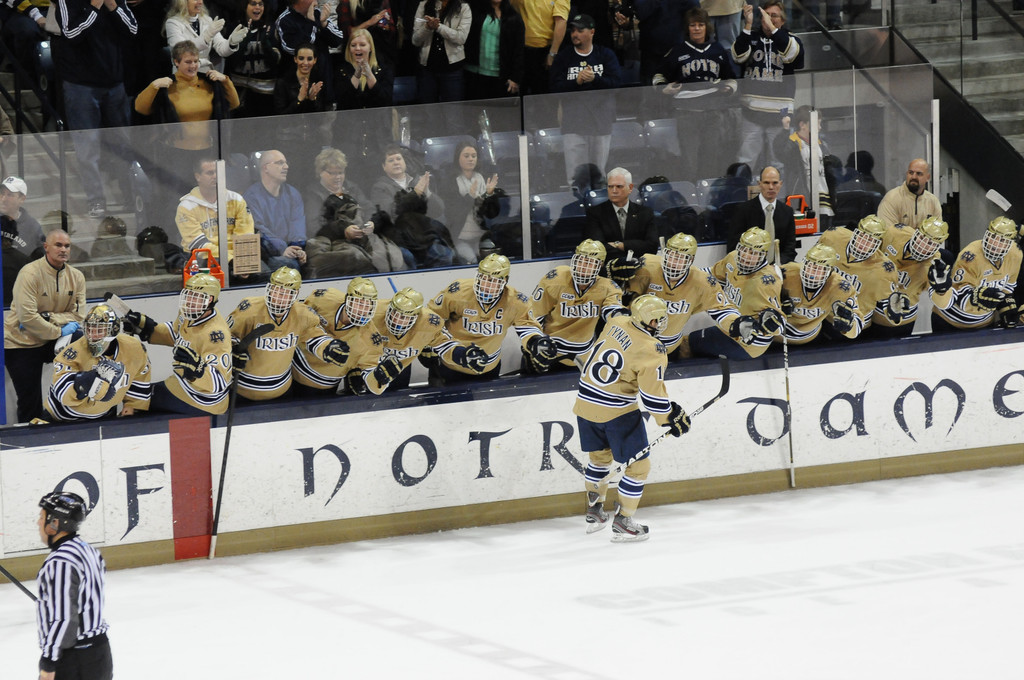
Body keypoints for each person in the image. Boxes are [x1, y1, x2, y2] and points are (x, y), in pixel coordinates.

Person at [575, 294, 691, 541]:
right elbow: (652, 398)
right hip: (616, 412)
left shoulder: (616, 321)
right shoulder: (652, 349)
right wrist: (670, 418)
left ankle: (594, 512)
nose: (661, 322)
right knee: (638, 467)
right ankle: (624, 521)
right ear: (649, 320)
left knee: (599, 458)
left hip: (584, 403)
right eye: (658, 318)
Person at [134, 40, 241, 217]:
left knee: (206, 199)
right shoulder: (167, 85)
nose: (193, 66)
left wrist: (225, 80)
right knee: (175, 199)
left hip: (206, 153)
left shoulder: (209, 83)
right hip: (176, 155)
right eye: (188, 62)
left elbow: (234, 104)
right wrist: (154, 86)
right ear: (176, 62)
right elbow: (141, 108)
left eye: (196, 61)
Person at [53, 0, 138, 219]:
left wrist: (113, 7)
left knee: (124, 145)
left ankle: (130, 195)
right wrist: (94, 8)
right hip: (80, 86)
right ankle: (96, 200)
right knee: (87, 148)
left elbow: (133, 29)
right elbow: (71, 33)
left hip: (114, 83)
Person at [425, 253, 553, 384]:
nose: (486, 286)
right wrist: (428, 346)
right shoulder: (458, 291)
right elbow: (431, 317)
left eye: (493, 281)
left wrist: (536, 342)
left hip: (488, 367)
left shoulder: (516, 301)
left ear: (505, 281)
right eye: (484, 278)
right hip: (451, 365)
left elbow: (528, 327)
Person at [227, 267, 351, 401]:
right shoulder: (249, 309)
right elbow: (228, 336)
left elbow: (314, 337)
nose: (278, 298)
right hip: (243, 389)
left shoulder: (303, 314)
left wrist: (329, 347)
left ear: (295, 294)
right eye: (276, 290)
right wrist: (233, 350)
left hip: (281, 390)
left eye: (285, 293)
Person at [621, 232, 750, 359]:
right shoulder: (647, 267)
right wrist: (619, 278)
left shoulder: (702, 282)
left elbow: (722, 309)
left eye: (679, 258)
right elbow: (620, 295)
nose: (673, 262)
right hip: (635, 342)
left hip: (668, 347)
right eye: (671, 255)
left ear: (691, 260)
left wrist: (736, 323)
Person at [3, 229, 86, 423]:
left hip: (50, 340)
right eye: (58, 245)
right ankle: (29, 435)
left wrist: (48, 317)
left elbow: (78, 315)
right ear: (46, 247)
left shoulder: (77, 277)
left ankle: (78, 412)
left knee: (80, 338)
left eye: (67, 246)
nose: (63, 249)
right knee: (30, 404)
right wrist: (58, 329)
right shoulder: (29, 273)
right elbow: (27, 317)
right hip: (21, 343)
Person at [122, 274, 234, 414]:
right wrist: (148, 329)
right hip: (182, 383)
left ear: (209, 299)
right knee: (137, 393)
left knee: (139, 400)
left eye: (195, 297)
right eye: (188, 295)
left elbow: (220, 382)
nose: (189, 301)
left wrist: (199, 371)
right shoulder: (190, 313)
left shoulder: (216, 335)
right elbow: (177, 334)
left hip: (202, 399)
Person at [652, 7, 737, 183]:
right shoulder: (677, 51)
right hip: (686, 113)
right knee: (689, 159)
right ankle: (691, 192)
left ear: (707, 27)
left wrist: (728, 89)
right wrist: (664, 89)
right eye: (692, 25)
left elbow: (731, 78)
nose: (697, 28)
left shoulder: (718, 50)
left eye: (700, 25)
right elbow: (658, 77)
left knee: (712, 157)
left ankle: (709, 193)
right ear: (687, 28)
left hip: (713, 113)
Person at [36, 491, 113, 680]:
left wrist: (49, 661)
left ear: (55, 523)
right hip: (100, 653)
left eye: (42, 517)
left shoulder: (60, 561)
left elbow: (64, 619)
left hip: (75, 659)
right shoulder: (89, 551)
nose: (38, 522)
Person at [529, 239, 626, 370]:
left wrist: (621, 316)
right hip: (549, 351)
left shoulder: (608, 287)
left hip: (583, 356)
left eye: (589, 263)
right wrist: (534, 344)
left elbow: (614, 312)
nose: (583, 267)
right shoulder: (555, 279)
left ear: (600, 265)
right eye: (580, 261)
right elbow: (533, 317)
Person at [45, 304, 152, 421]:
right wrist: (87, 380)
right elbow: (61, 390)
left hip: (104, 416)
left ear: (113, 330)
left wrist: (132, 405)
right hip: (61, 417)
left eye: (99, 330)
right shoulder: (72, 352)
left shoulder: (133, 348)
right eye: (90, 330)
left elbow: (141, 374)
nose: (93, 336)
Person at [550, 14, 621, 188]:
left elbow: (616, 84)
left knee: (599, 177)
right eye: (573, 30)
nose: (575, 34)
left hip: (601, 123)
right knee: (575, 179)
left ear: (592, 32)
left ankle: (599, 204)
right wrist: (577, 81)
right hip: (573, 124)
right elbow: (554, 88)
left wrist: (595, 79)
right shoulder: (564, 57)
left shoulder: (605, 55)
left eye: (580, 30)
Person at [690, 226, 784, 358]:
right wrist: (688, 274)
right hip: (731, 325)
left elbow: (779, 326)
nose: (746, 255)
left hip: (749, 342)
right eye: (744, 249)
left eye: (753, 253)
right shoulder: (733, 258)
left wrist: (771, 322)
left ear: (763, 255)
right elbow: (712, 274)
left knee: (688, 343)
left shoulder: (765, 283)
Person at [731, 0, 803, 170]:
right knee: (745, 159)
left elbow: (792, 56)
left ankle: (780, 188)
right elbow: (738, 56)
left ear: (783, 20)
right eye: (766, 15)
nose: (769, 19)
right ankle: (743, 186)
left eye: (774, 16)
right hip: (751, 111)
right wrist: (748, 25)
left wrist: (774, 30)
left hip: (781, 113)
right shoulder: (751, 36)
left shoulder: (792, 39)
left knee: (779, 161)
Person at [815, 214, 908, 336]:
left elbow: (887, 303)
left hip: (857, 326)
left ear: (877, 244)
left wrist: (894, 311)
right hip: (824, 318)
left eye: (870, 240)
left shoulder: (885, 269)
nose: (864, 243)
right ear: (856, 232)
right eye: (862, 235)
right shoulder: (832, 237)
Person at [930, 217, 1023, 332]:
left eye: (1002, 241)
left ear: (1010, 243)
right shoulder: (970, 255)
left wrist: (1006, 308)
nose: (995, 243)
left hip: (985, 323)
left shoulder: (1015, 255)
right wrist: (976, 298)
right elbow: (956, 295)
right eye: (993, 237)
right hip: (949, 321)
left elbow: (1007, 289)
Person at [293, 277, 383, 396]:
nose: (363, 311)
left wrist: (376, 377)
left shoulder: (371, 339)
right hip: (290, 369)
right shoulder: (323, 298)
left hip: (319, 387)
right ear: (348, 299)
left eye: (368, 306)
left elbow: (370, 372)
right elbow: (299, 319)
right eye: (359, 303)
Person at [175, 156, 258, 283]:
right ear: (198, 176)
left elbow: (246, 235)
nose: (215, 176)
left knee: (264, 275)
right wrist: (231, 260)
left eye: (218, 172)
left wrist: (242, 262)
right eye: (210, 173)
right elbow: (199, 245)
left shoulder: (236, 199)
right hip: (202, 259)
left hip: (236, 258)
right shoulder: (186, 206)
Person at [357, 287, 453, 393]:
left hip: (399, 365)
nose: (396, 320)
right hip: (367, 367)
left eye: (404, 317)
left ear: (416, 317)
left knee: (399, 393)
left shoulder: (429, 322)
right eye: (394, 313)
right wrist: (353, 369)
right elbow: (351, 339)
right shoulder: (372, 312)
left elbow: (447, 345)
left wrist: (427, 343)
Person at [332, 29, 395, 178]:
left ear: (370, 47)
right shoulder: (342, 70)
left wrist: (370, 75)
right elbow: (343, 101)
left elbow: (385, 100)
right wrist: (356, 75)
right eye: (353, 45)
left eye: (362, 45)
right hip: (348, 135)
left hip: (377, 135)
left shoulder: (383, 69)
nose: (357, 48)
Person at [874, 216, 949, 338]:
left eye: (930, 243)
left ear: (938, 246)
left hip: (902, 318)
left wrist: (942, 289)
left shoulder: (934, 266)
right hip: (873, 307)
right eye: (922, 237)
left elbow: (942, 302)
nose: (922, 244)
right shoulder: (895, 232)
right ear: (916, 232)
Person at [777, 242, 863, 344]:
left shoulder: (841, 287)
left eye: (819, 269)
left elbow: (856, 330)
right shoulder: (786, 273)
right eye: (810, 266)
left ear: (829, 271)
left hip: (811, 338)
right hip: (778, 335)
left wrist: (849, 325)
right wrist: (776, 304)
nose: (812, 272)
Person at [244, 149, 309, 272]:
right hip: (266, 253)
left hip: (290, 250)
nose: (286, 167)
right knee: (288, 264)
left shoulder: (293, 193)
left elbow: (297, 224)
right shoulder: (251, 197)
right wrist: (282, 249)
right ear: (265, 168)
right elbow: (258, 230)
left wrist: (297, 249)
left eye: (286, 162)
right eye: (280, 163)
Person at [773, 104, 835, 229]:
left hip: (824, 200)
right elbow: (781, 152)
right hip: (803, 200)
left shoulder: (822, 145)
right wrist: (785, 130)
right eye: (817, 124)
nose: (820, 127)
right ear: (803, 125)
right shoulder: (793, 143)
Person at [438, 141, 501, 263]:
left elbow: (492, 214)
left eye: (473, 156)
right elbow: (452, 213)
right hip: (459, 237)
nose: (471, 159)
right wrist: (470, 197)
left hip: (481, 236)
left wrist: (489, 195)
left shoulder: (482, 178)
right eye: (466, 156)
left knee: (491, 260)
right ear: (458, 158)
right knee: (471, 260)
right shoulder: (449, 182)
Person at [583, 166, 658, 265]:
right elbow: (596, 248)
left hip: (640, 266)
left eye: (619, 186)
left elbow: (652, 246)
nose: (614, 191)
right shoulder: (595, 213)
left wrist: (620, 245)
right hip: (609, 267)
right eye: (610, 186)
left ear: (630, 188)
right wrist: (633, 248)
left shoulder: (645, 213)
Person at [223, 0, 282, 118]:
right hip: (239, 90)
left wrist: (266, 43)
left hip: (265, 92)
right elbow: (231, 61)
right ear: (245, 6)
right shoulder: (235, 27)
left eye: (261, 4)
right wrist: (245, 39)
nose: (257, 7)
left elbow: (275, 61)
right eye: (253, 4)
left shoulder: (271, 28)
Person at [726, 165, 796, 264]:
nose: (771, 187)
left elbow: (790, 248)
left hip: (778, 268)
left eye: (775, 183)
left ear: (780, 184)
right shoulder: (743, 210)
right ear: (759, 184)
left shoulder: (787, 212)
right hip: (749, 267)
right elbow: (733, 247)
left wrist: (777, 266)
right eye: (766, 183)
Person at [411, 0, 471, 103]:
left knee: (452, 109)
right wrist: (427, 27)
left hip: (453, 68)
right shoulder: (424, 4)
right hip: (427, 68)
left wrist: (438, 27)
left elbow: (461, 38)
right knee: (427, 109)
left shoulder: (463, 7)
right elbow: (415, 40)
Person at [164, 0, 248, 73]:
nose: (200, 2)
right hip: (183, 76)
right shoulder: (173, 23)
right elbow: (181, 51)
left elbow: (222, 50)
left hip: (205, 75)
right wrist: (206, 36)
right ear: (183, 2)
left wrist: (231, 42)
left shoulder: (207, 20)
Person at [464, 0, 525, 98]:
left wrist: (515, 77)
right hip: (474, 73)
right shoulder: (474, 11)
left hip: (501, 76)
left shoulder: (514, 18)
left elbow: (518, 51)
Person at [370, 144, 445, 223]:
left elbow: (438, 211)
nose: (396, 163)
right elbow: (389, 215)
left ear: (404, 162)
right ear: (384, 167)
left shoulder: (417, 181)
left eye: (399, 159)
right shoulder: (379, 188)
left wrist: (427, 192)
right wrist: (415, 193)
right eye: (391, 160)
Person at [634, 0, 698, 86]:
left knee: (679, 88)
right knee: (649, 89)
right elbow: (641, 12)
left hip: (677, 49)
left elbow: (695, 9)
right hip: (651, 51)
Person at [511, 0, 568, 95]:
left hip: (544, 52)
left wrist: (552, 53)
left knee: (542, 93)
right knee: (517, 93)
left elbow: (561, 22)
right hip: (520, 50)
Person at [877, 158, 943, 230]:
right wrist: (917, 236)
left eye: (919, 174)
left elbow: (937, 231)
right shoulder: (891, 198)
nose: (914, 177)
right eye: (911, 173)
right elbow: (889, 232)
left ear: (927, 177)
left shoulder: (933, 201)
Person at [334, 0, 398, 69]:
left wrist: (385, 25)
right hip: (355, 53)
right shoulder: (346, 2)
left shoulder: (383, 1)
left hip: (381, 50)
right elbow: (345, 33)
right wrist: (369, 23)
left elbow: (391, 29)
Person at [0, 175, 45, 257]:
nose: (3, 199)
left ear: (22, 199)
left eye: (9, 195)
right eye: (2, 193)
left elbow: (41, 258)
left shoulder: (33, 228)